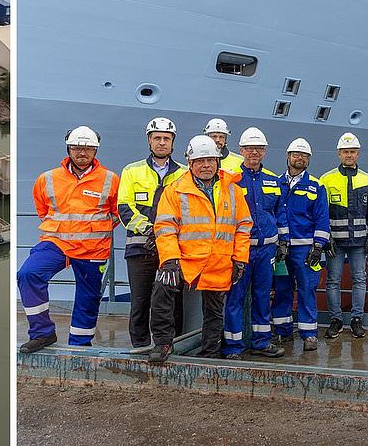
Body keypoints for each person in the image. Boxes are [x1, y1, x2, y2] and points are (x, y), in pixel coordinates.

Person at [150, 134, 252, 363]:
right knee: (162, 292)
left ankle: (210, 353)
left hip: (219, 260)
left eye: (210, 161)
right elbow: (165, 226)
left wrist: (240, 259)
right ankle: (163, 343)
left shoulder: (233, 191)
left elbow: (244, 226)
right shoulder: (175, 190)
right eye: (200, 161)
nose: (206, 165)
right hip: (185, 260)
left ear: (218, 162)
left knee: (215, 311)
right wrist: (169, 260)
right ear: (190, 164)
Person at [18, 126, 119, 353]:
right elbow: (43, 210)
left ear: (95, 150)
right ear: (68, 148)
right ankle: (42, 333)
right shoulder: (48, 179)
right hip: (56, 243)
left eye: (87, 148)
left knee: (88, 297)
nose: (82, 152)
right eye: (76, 147)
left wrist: (94, 230)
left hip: (93, 248)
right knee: (28, 274)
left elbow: (117, 213)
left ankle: (80, 346)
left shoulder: (110, 180)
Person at [115, 117, 184, 355]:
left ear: (173, 142)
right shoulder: (132, 171)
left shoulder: (184, 174)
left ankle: (172, 342)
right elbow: (124, 206)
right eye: (157, 138)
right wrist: (149, 230)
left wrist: (165, 234)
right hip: (139, 247)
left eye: (166, 138)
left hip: (172, 249)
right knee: (141, 299)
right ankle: (141, 345)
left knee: (172, 297)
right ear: (149, 140)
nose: (162, 143)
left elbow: (187, 208)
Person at [224, 127, 287, 358]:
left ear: (265, 151)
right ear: (241, 150)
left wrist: (283, 242)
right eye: (250, 148)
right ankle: (233, 346)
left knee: (262, 297)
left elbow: (280, 213)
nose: (254, 152)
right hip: (241, 250)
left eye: (258, 148)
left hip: (266, 250)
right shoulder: (231, 181)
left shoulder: (273, 180)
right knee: (235, 298)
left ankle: (261, 342)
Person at [320, 131, 368, 339]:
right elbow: (321, 212)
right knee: (333, 281)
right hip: (334, 242)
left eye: (352, 151)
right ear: (338, 154)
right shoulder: (326, 180)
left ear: (358, 153)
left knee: (359, 280)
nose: (349, 155)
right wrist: (325, 237)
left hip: (359, 242)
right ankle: (336, 320)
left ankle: (356, 320)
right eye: (345, 152)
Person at [278, 137, 331, 352]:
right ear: (288, 157)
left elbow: (322, 217)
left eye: (304, 156)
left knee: (307, 289)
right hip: (281, 247)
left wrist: (318, 246)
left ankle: (309, 334)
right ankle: (282, 332)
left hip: (305, 249)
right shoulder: (275, 183)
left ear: (308, 160)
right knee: (282, 289)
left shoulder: (316, 185)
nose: (299, 158)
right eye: (296, 154)